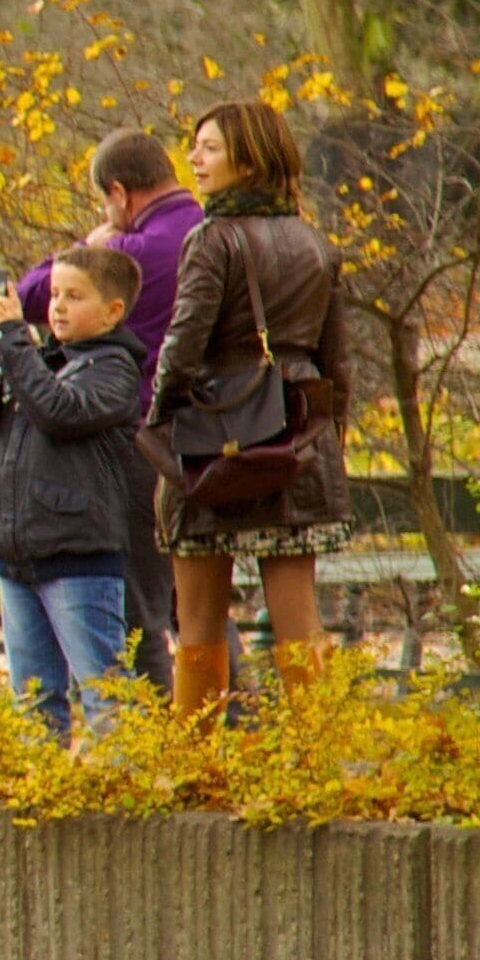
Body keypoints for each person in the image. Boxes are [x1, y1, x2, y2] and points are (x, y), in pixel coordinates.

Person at [149, 100, 352, 714]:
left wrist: (159, 420)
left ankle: (195, 767)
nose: (193, 158)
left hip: (218, 434)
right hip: (295, 436)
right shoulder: (316, 242)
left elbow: (182, 350)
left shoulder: (212, 240)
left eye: (208, 148)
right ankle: (320, 763)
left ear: (247, 160)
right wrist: (324, 441)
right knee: (299, 623)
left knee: (200, 623)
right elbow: (336, 362)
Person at [18, 128, 203, 686]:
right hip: (206, 439)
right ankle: (232, 719)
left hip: (138, 443)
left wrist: (91, 243)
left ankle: (149, 740)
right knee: (196, 601)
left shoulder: (131, 250)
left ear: (120, 194)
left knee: (140, 607)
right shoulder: (208, 230)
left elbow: (31, 295)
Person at [0, 249, 149, 742]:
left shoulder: (115, 370)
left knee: (105, 692)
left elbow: (59, 411)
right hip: (19, 553)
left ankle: (133, 794)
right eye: (55, 294)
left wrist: (14, 338)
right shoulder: (40, 361)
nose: (57, 306)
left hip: (79, 555)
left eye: (75, 296)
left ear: (113, 312)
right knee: (35, 699)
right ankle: (45, 798)